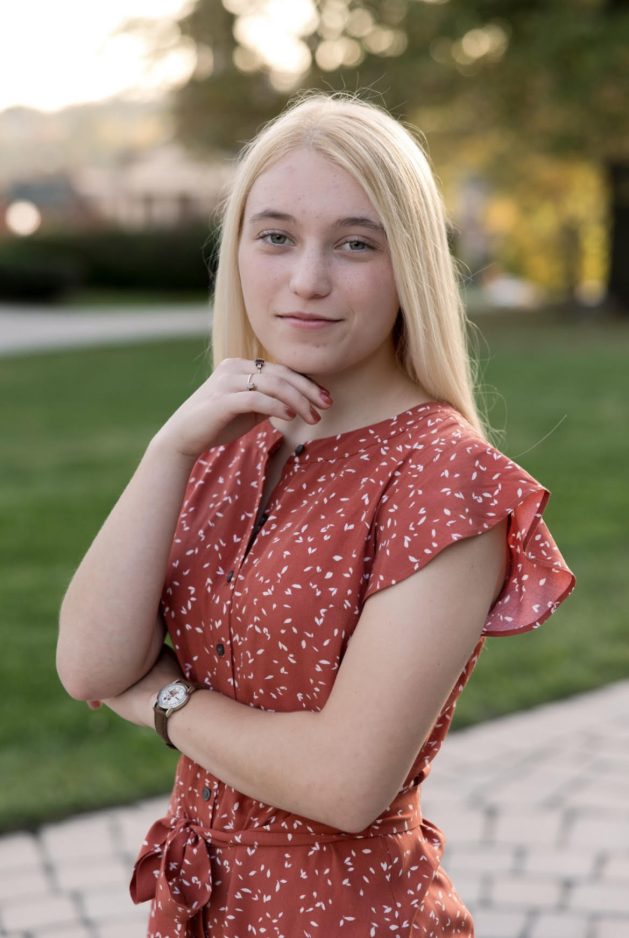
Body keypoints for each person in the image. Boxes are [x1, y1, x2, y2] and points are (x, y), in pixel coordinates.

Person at [57, 92, 575, 937]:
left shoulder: (445, 479)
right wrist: (169, 451)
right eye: (275, 236)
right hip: (197, 909)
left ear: (408, 265)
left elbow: (344, 783)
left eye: (354, 243)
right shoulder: (224, 443)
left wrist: (160, 699)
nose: (306, 280)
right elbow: (88, 666)